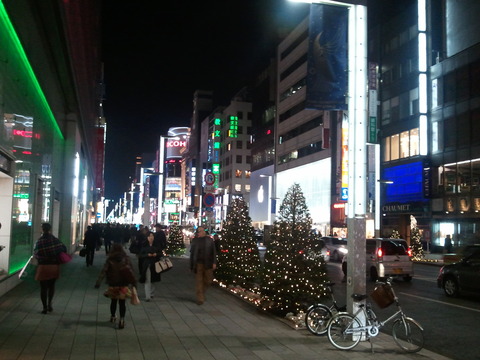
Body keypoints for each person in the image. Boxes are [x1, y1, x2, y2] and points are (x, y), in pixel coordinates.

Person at [95, 243, 136, 329]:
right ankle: (122, 320)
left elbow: (104, 271)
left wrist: (98, 282)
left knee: (113, 301)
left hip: (113, 284)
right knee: (122, 303)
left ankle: (113, 316)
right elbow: (131, 271)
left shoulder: (110, 260)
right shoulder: (126, 259)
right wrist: (133, 283)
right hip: (123, 284)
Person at [34, 223, 67, 314]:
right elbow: (64, 248)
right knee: (51, 286)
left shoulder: (39, 241)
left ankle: (44, 307)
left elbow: (36, 253)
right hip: (53, 265)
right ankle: (49, 304)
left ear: (42, 229)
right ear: (50, 229)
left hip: (43, 266)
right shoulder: (55, 240)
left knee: (43, 287)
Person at [190, 226, 217, 305]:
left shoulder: (209, 240)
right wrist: (191, 265)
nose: (200, 232)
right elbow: (192, 254)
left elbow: (214, 252)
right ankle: (200, 298)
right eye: (199, 231)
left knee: (208, 281)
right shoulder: (195, 241)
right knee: (199, 281)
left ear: (204, 231)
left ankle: (201, 292)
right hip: (198, 263)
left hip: (208, 263)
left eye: (201, 231)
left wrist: (214, 262)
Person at [139, 231, 162, 301]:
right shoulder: (144, 245)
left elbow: (160, 253)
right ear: (147, 237)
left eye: (152, 236)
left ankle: (151, 293)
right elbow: (140, 255)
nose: (151, 238)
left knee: (153, 280)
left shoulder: (157, 245)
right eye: (149, 236)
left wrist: (156, 254)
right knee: (147, 280)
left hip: (155, 264)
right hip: (147, 264)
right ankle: (147, 296)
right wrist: (147, 255)